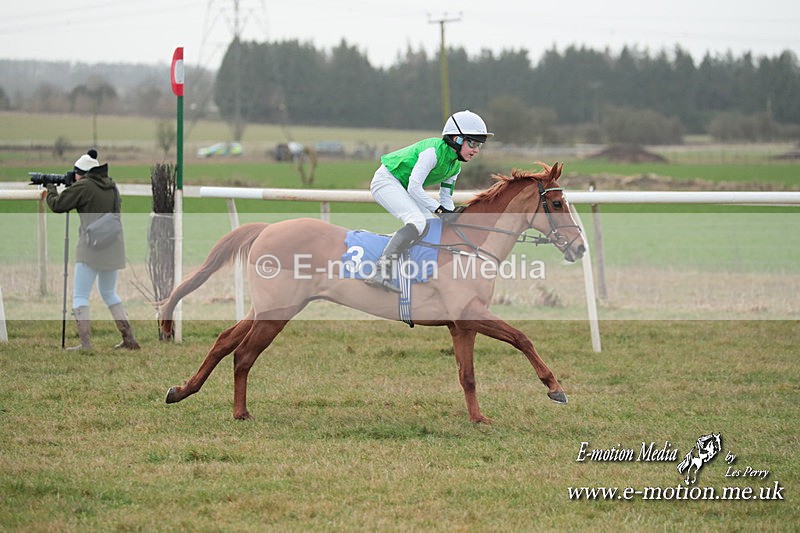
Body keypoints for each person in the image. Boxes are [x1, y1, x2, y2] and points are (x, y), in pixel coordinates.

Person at [365, 110, 493, 292]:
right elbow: (414, 188)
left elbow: (446, 197)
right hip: (386, 181)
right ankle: (380, 270)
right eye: (472, 143)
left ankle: (413, 273)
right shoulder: (432, 152)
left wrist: (449, 217)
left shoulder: (455, 166)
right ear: (456, 139)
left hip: (404, 186)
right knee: (417, 222)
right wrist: (442, 212)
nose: (476, 150)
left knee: (431, 225)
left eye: (479, 145)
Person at [45, 149, 140, 350]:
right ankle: (129, 339)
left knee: (80, 295)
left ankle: (85, 343)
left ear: (81, 173)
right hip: (114, 247)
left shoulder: (84, 187)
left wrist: (51, 188)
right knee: (109, 292)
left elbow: (57, 205)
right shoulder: (111, 185)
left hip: (91, 249)